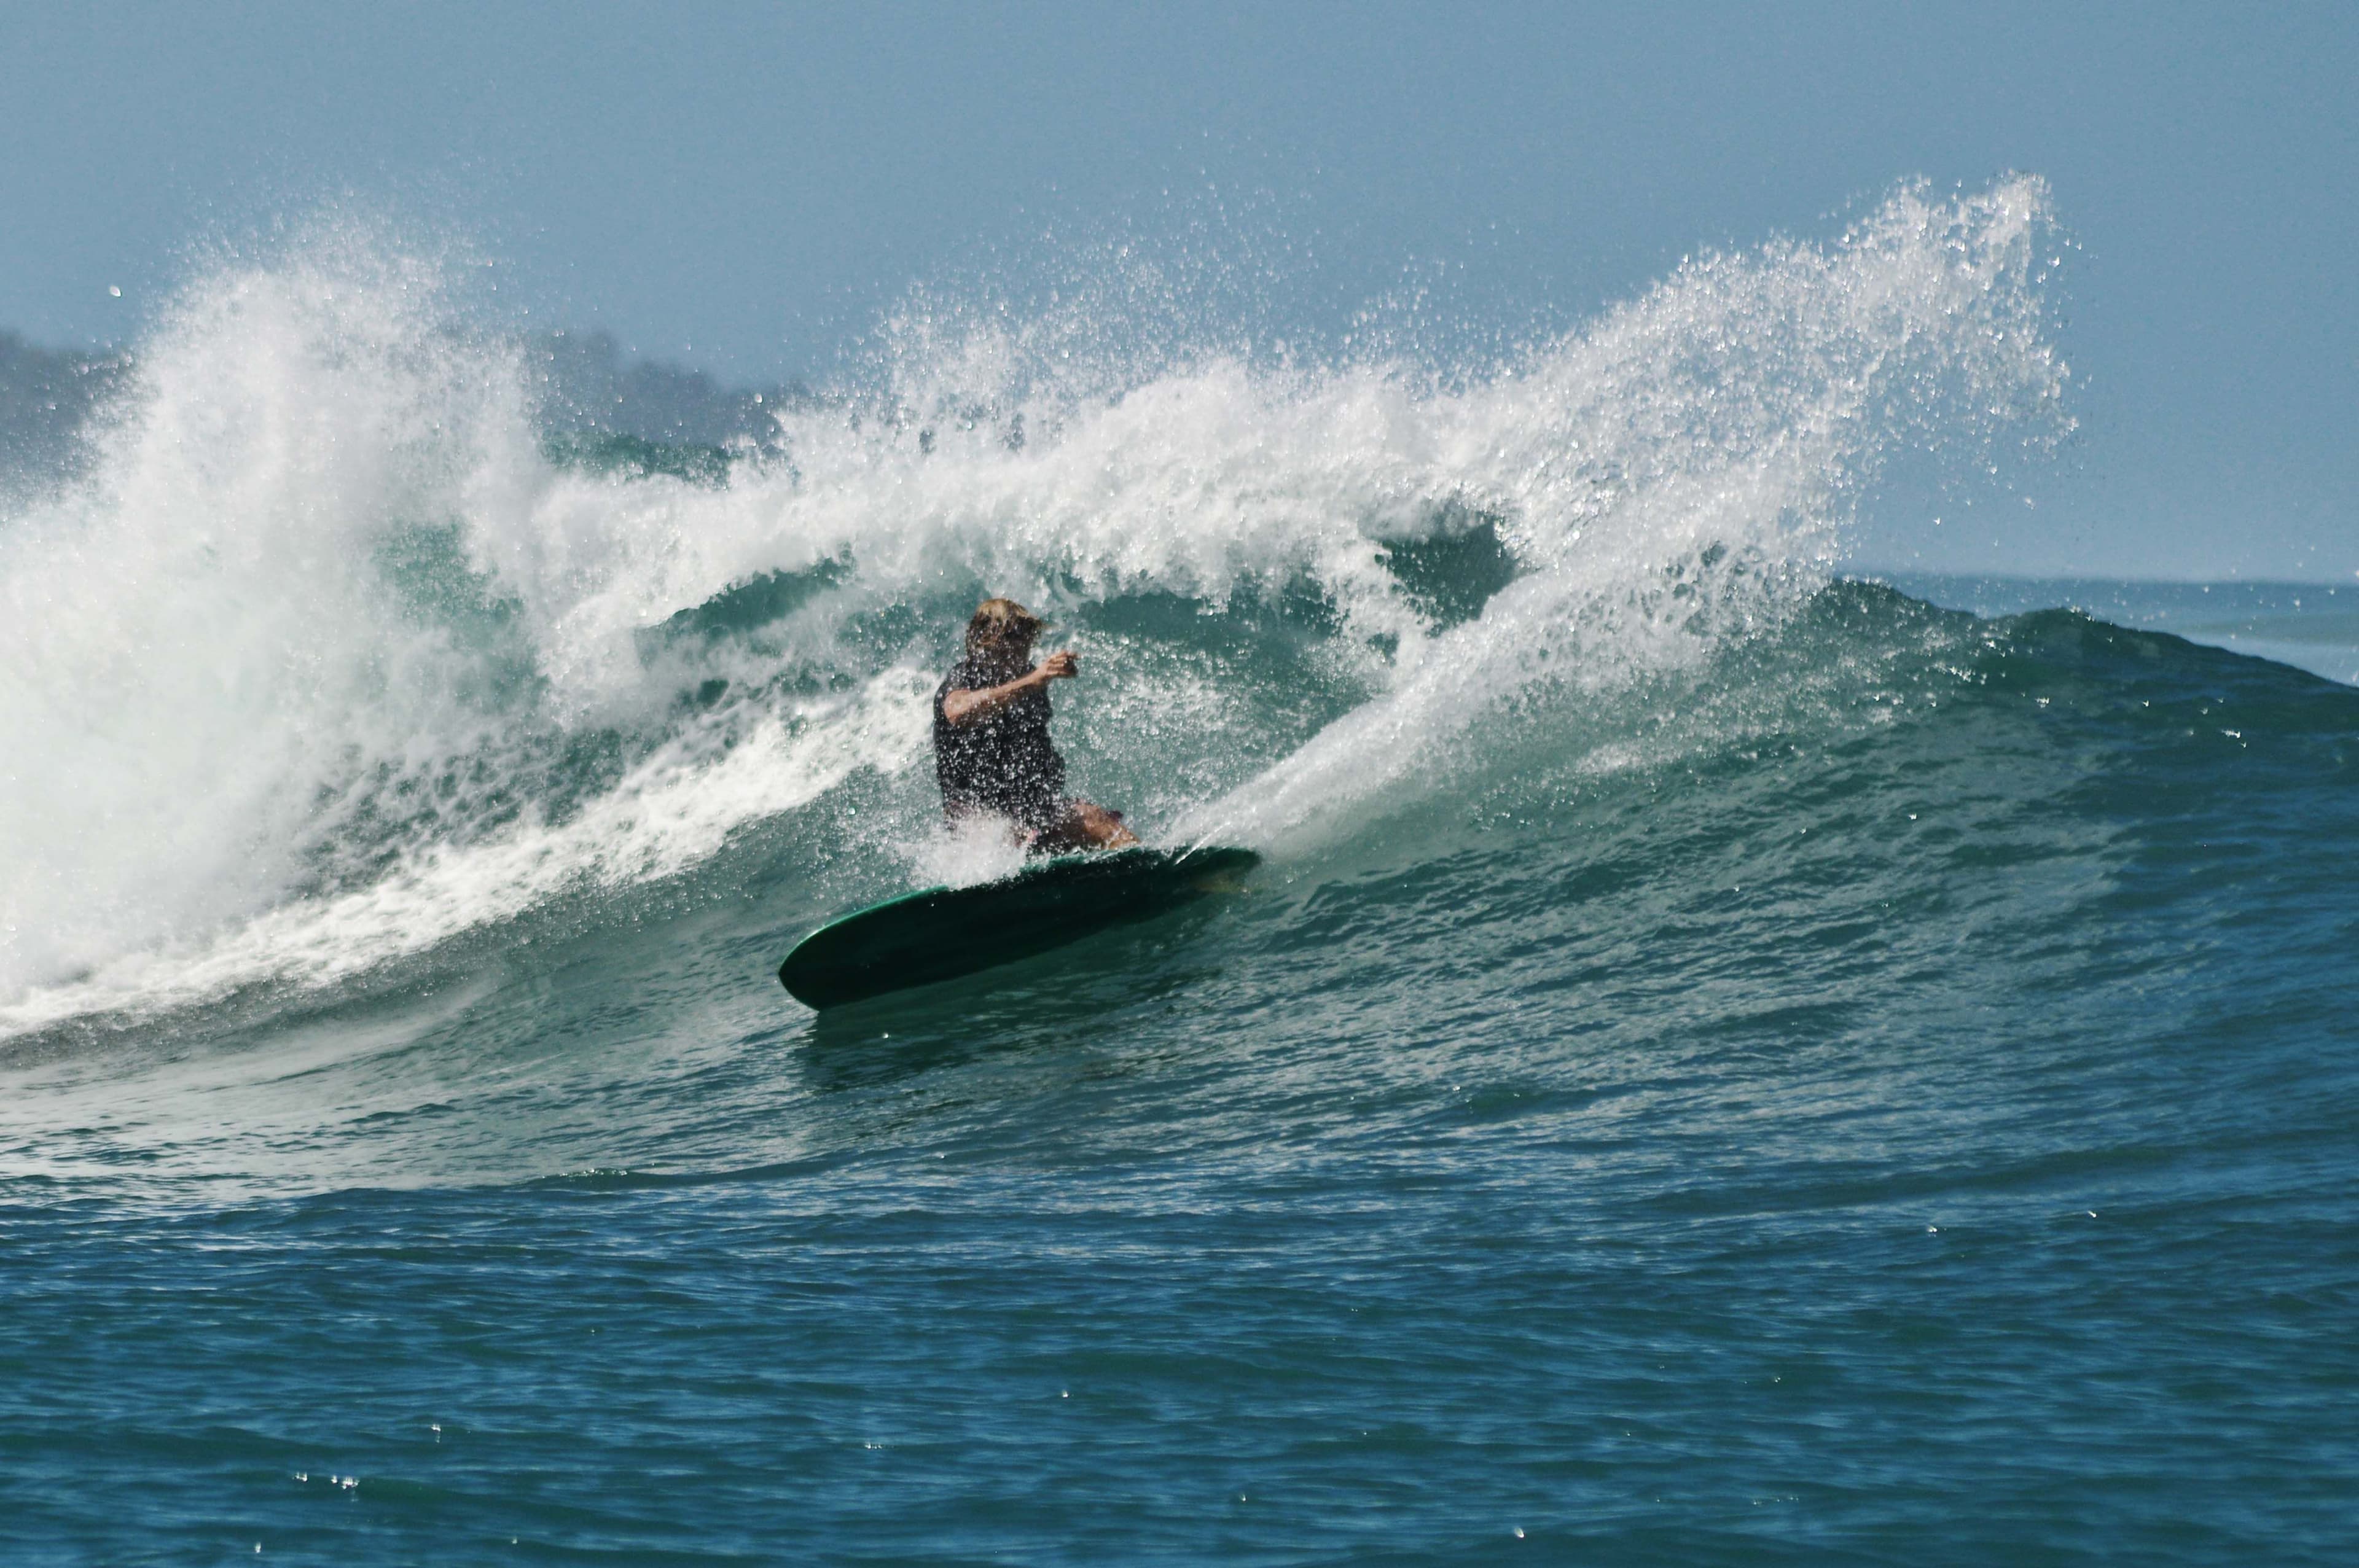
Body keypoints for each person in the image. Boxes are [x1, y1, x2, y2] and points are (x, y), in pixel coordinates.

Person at [934, 598, 1139, 854]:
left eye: (1026, 635)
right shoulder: (966, 676)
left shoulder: (1030, 683)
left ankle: (1150, 869)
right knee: (1003, 837)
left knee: (1093, 819)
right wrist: (1033, 681)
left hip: (1029, 811)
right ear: (984, 639)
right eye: (1012, 636)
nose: (1022, 645)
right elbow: (957, 711)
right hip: (976, 819)